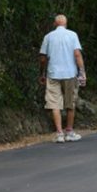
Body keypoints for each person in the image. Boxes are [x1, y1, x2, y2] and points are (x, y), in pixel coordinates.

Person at [39, 14, 86, 143]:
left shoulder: (48, 37)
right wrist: (82, 72)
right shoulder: (72, 35)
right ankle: (69, 131)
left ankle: (59, 134)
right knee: (70, 103)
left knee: (55, 104)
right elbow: (77, 54)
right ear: (66, 24)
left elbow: (43, 58)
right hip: (70, 74)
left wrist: (42, 73)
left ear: (55, 24)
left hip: (53, 74)